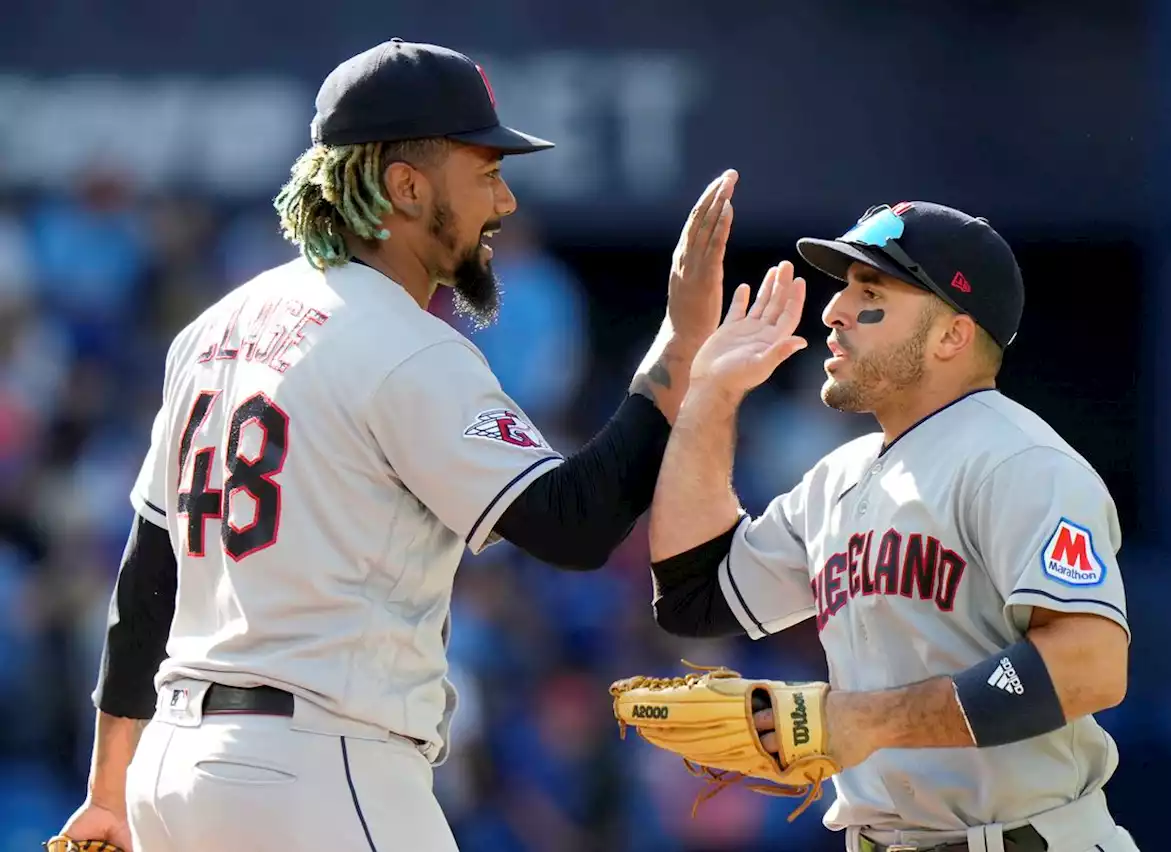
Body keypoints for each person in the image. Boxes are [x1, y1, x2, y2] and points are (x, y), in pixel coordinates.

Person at [51, 39, 739, 852]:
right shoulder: (406, 346)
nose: (506, 201)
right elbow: (575, 524)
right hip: (317, 771)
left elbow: (146, 579)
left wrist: (108, 788)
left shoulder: (212, 328)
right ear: (406, 186)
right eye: (486, 171)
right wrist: (678, 346)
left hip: (172, 774)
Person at [645, 201, 1140, 851]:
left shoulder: (1021, 462)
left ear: (951, 336)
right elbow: (693, 597)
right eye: (845, 286)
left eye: (871, 291)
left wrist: (865, 720)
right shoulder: (836, 478)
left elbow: (1091, 666)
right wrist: (710, 398)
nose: (834, 311)